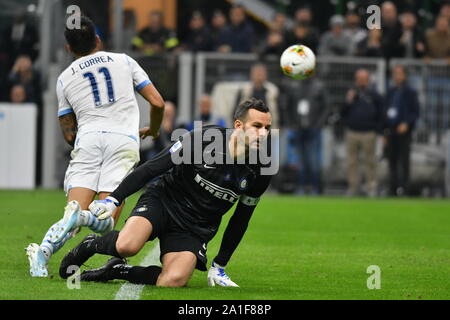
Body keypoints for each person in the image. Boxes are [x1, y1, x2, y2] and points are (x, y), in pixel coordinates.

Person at [59, 98, 273, 288]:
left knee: (173, 280)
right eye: (257, 126)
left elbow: (241, 218)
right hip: (164, 200)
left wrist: (220, 264)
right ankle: (91, 243)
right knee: (127, 246)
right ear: (238, 125)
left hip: (196, 227)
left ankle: (116, 270)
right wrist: (114, 199)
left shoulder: (262, 168)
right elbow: (154, 167)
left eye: (267, 128)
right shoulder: (204, 139)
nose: (263, 133)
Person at [25, 16, 165, 277]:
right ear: (98, 40)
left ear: (68, 49)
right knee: (106, 222)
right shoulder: (124, 61)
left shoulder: (65, 78)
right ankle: (79, 219)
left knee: (73, 218)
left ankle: (41, 257)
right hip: (122, 141)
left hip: (88, 140)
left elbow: (68, 133)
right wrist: (154, 130)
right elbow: (157, 103)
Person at [341, 69, 383, 197]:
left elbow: (381, 112)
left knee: (370, 161)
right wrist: (348, 101)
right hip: (352, 132)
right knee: (352, 161)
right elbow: (342, 111)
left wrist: (377, 128)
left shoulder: (374, 95)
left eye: (363, 78)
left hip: (368, 132)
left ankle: (371, 186)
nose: (361, 81)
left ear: (368, 79)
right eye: (359, 78)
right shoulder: (351, 94)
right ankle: (353, 187)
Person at [285, 77, 329, 195]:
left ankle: (314, 187)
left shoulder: (319, 86)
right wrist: (292, 124)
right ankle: (300, 186)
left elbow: (326, 107)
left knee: (313, 160)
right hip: (298, 129)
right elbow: (288, 107)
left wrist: (318, 125)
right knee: (300, 160)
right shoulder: (294, 86)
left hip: (313, 129)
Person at [383, 65, 420, 196]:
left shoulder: (411, 92)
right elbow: (385, 110)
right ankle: (392, 188)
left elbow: (415, 112)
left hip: (405, 130)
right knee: (391, 160)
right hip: (391, 129)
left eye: (399, 73)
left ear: (404, 76)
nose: (397, 76)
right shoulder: (390, 92)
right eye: (395, 74)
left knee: (404, 160)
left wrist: (406, 123)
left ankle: (405, 188)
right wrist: (385, 129)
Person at [235, 63, 279, 128]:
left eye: (261, 73)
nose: (259, 76)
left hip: (269, 128)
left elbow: (279, 111)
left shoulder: (273, 91)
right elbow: (236, 111)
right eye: (256, 73)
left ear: (266, 75)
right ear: (251, 75)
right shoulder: (244, 90)